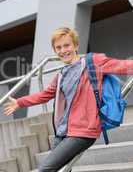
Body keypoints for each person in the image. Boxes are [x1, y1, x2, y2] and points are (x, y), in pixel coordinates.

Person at [4, 27, 133, 172]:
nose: (63, 50)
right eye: (58, 47)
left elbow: (123, 66)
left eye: (67, 45)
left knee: (44, 169)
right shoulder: (61, 75)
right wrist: (20, 102)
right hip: (62, 131)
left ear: (76, 46)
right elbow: (44, 95)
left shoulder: (93, 62)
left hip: (83, 131)